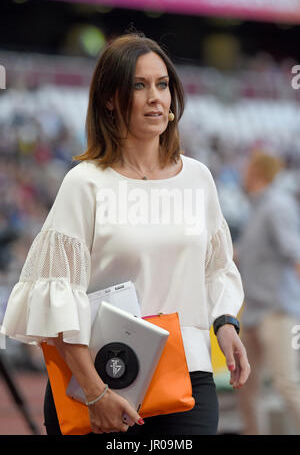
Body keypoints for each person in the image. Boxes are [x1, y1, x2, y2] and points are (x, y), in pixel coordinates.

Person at [1, 33, 250, 436]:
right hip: (101, 383)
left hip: (188, 379)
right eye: (139, 85)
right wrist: (96, 392)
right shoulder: (84, 184)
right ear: (110, 99)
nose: (156, 97)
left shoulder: (199, 179)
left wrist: (225, 326)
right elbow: (56, 300)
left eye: (162, 84)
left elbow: (216, 269)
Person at [235, 151, 300, 435]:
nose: (241, 171)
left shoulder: (276, 206)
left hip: (278, 311)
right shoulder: (257, 209)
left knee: (286, 383)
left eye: (246, 166)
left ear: (256, 171)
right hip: (254, 313)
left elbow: (295, 252)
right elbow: (247, 255)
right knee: (245, 384)